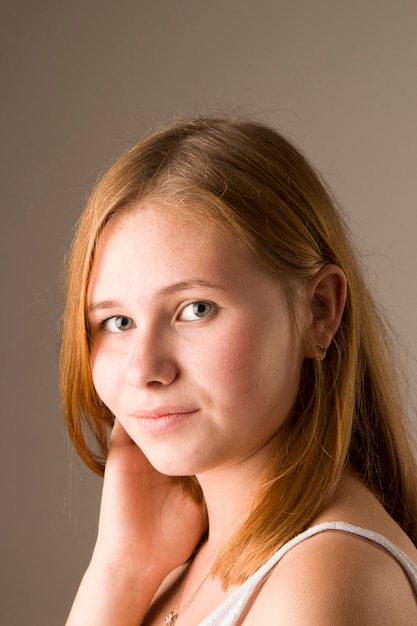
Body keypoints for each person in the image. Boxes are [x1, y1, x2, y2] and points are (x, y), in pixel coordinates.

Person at [60, 116, 417, 625]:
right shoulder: (176, 568)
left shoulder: (325, 581)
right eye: (117, 322)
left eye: (196, 309)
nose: (144, 369)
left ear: (320, 310)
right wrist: (120, 571)